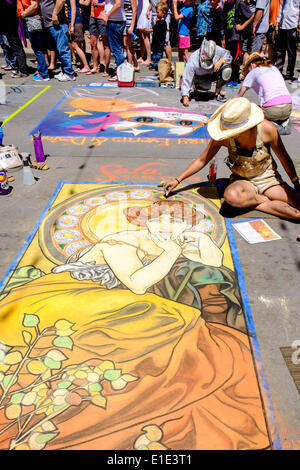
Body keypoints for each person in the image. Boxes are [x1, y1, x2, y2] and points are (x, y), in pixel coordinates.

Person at [0, 196, 270, 450]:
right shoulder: (122, 241)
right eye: (159, 220)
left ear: (188, 225)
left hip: (107, 298)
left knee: (171, 313)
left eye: (177, 221)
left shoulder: (167, 243)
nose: (166, 227)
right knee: (168, 316)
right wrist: (173, 251)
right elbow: (138, 285)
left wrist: (200, 239)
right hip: (65, 295)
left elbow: (215, 264)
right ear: (145, 221)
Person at [164, 97, 300, 221]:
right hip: (242, 180)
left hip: (267, 178)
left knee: (296, 212)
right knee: (232, 197)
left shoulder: (267, 130)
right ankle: (261, 201)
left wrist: (296, 182)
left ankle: (253, 202)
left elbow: (283, 157)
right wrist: (178, 180)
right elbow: (202, 160)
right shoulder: (225, 137)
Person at [236, 52, 292, 134]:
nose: (248, 72)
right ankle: (283, 122)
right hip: (288, 107)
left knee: (248, 110)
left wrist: (227, 107)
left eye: (248, 69)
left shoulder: (254, 71)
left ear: (252, 65)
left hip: (272, 110)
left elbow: (239, 95)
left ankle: (268, 128)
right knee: (273, 109)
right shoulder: (273, 68)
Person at [180, 38, 232, 106]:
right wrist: (185, 96)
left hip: (213, 73)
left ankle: (219, 93)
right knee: (204, 92)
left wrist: (221, 60)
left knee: (227, 70)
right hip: (201, 78)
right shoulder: (194, 57)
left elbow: (228, 55)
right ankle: (198, 90)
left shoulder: (217, 49)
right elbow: (187, 78)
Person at [40, 0, 76, 81]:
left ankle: (69, 73)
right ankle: (65, 71)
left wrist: (54, 14)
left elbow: (61, 0)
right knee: (59, 50)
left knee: (63, 49)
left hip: (57, 23)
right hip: (51, 23)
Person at [0, 0, 28, 78]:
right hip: (10, 26)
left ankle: (22, 71)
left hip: (11, 26)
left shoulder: (8, 2)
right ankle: (20, 68)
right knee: (16, 48)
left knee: (17, 48)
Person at [274, 0, 300, 81]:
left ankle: (289, 73)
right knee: (280, 50)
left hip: (293, 24)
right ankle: (279, 71)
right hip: (283, 24)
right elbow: (281, 6)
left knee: (291, 51)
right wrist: (277, 22)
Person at [103, 0, 126, 80]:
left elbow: (118, 3)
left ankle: (120, 73)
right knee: (116, 48)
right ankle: (120, 71)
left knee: (116, 49)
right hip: (114, 21)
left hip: (115, 22)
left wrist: (107, 15)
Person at [67, 0, 90, 73]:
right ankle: (82, 65)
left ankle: (86, 66)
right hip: (77, 21)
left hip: (76, 22)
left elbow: (73, 9)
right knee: (79, 45)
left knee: (75, 45)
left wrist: (72, 25)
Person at [88, 0, 111, 76]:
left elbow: (109, 3)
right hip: (93, 16)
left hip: (103, 17)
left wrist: (100, 4)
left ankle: (106, 69)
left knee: (106, 44)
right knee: (93, 43)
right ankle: (95, 67)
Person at [149, 1, 168, 70]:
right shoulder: (160, 22)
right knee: (155, 55)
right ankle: (155, 65)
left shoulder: (161, 23)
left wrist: (144, 30)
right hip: (157, 43)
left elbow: (153, 29)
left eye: (158, 12)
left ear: (163, 12)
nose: (156, 14)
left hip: (159, 44)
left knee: (157, 56)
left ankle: (157, 66)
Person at [123, 0, 139, 72]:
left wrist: (132, 26)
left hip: (129, 21)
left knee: (127, 45)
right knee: (126, 44)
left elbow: (134, 10)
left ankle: (129, 65)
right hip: (123, 20)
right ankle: (135, 64)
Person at [136, 0, 152, 64]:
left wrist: (148, 10)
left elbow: (151, 2)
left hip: (145, 9)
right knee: (140, 34)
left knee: (145, 34)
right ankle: (142, 56)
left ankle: (149, 58)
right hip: (139, 9)